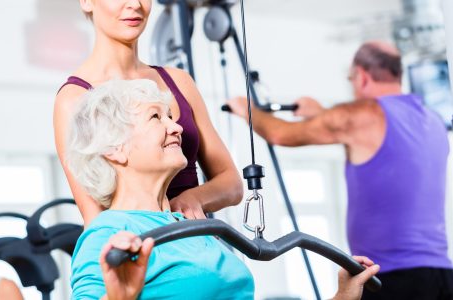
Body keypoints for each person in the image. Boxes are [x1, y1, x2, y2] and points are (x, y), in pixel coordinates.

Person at [67, 78, 380, 299]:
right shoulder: (110, 233)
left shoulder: (191, 226)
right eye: (155, 117)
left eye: (171, 117)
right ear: (114, 149)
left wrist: (343, 297)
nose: (176, 126)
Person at [226, 41, 453, 299]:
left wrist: (247, 110)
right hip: (442, 275)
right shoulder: (432, 120)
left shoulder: (361, 115)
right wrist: (321, 114)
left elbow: (280, 134)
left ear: (362, 77)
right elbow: (381, 146)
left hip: (390, 278)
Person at [54, 0, 243, 226]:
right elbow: (94, 216)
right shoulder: (73, 99)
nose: (135, 4)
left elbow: (232, 184)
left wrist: (194, 198)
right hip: (140, 247)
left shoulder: (179, 82)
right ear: (86, 2)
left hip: (196, 239)